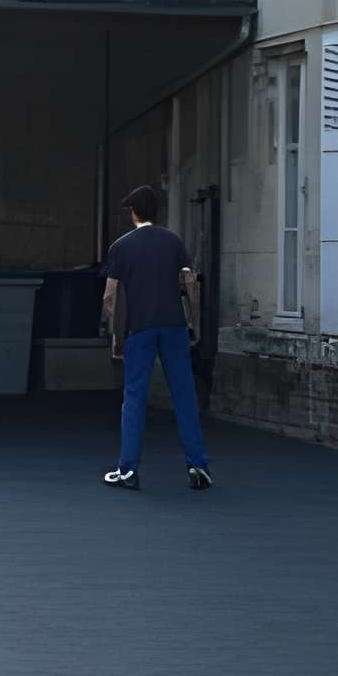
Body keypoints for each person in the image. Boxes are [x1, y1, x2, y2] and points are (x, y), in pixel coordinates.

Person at [101, 185, 210, 492]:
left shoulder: (121, 247)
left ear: (133, 213)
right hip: (174, 326)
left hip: (140, 328)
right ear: (157, 212)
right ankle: (198, 466)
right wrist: (195, 325)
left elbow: (110, 297)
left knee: (135, 397)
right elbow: (190, 285)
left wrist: (115, 337)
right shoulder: (174, 242)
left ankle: (128, 470)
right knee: (184, 396)